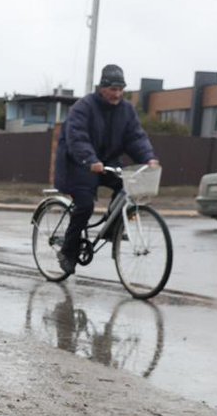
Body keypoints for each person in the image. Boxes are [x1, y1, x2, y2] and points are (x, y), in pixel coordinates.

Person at [54, 64, 160, 275]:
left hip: (108, 162)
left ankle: (114, 228)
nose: (117, 94)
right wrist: (90, 159)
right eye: (113, 89)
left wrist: (148, 159)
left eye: (121, 89)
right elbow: (77, 137)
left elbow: (135, 137)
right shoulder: (83, 107)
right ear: (102, 88)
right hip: (79, 163)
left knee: (130, 187)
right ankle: (67, 252)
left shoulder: (126, 110)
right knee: (84, 206)